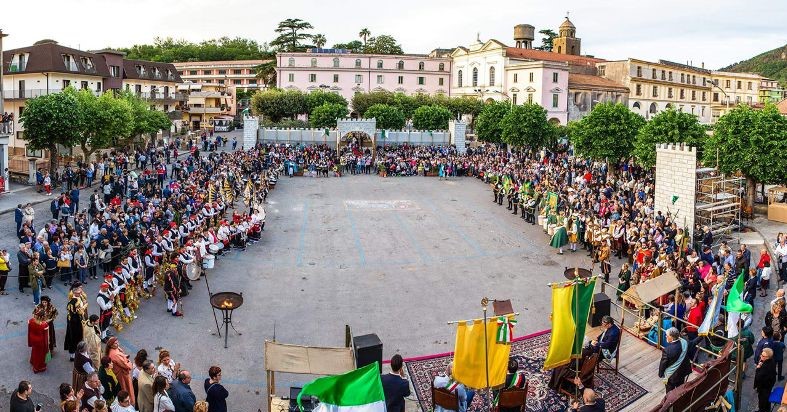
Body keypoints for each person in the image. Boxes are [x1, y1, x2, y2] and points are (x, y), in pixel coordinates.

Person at [658, 328, 699, 392]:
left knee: (670, 392)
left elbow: (663, 363)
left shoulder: (667, 350)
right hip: (682, 372)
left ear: (671, 337)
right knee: (680, 390)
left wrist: (660, 374)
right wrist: (702, 336)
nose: (666, 336)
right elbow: (693, 343)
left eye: (667, 335)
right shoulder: (684, 342)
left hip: (671, 376)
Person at [106, 337, 135, 407]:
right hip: (122, 374)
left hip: (118, 372)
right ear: (111, 345)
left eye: (117, 342)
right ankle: (130, 402)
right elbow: (125, 365)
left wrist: (124, 357)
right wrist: (130, 363)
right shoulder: (115, 354)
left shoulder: (112, 350)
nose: (117, 344)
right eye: (115, 343)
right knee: (127, 388)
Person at [754, 348, 777, 412]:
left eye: (763, 356)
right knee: (767, 399)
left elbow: (758, 377)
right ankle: (767, 409)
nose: (760, 356)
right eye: (761, 354)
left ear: (768, 357)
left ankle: (761, 410)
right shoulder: (772, 360)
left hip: (764, 387)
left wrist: (758, 368)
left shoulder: (765, 367)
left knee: (762, 400)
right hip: (769, 384)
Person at [28, 308, 50, 373]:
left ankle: (32, 361)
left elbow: (29, 331)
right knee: (40, 355)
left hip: (33, 339)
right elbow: (46, 337)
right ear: (42, 316)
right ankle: (37, 367)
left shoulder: (31, 321)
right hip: (41, 342)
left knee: (34, 351)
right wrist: (47, 347)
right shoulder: (44, 325)